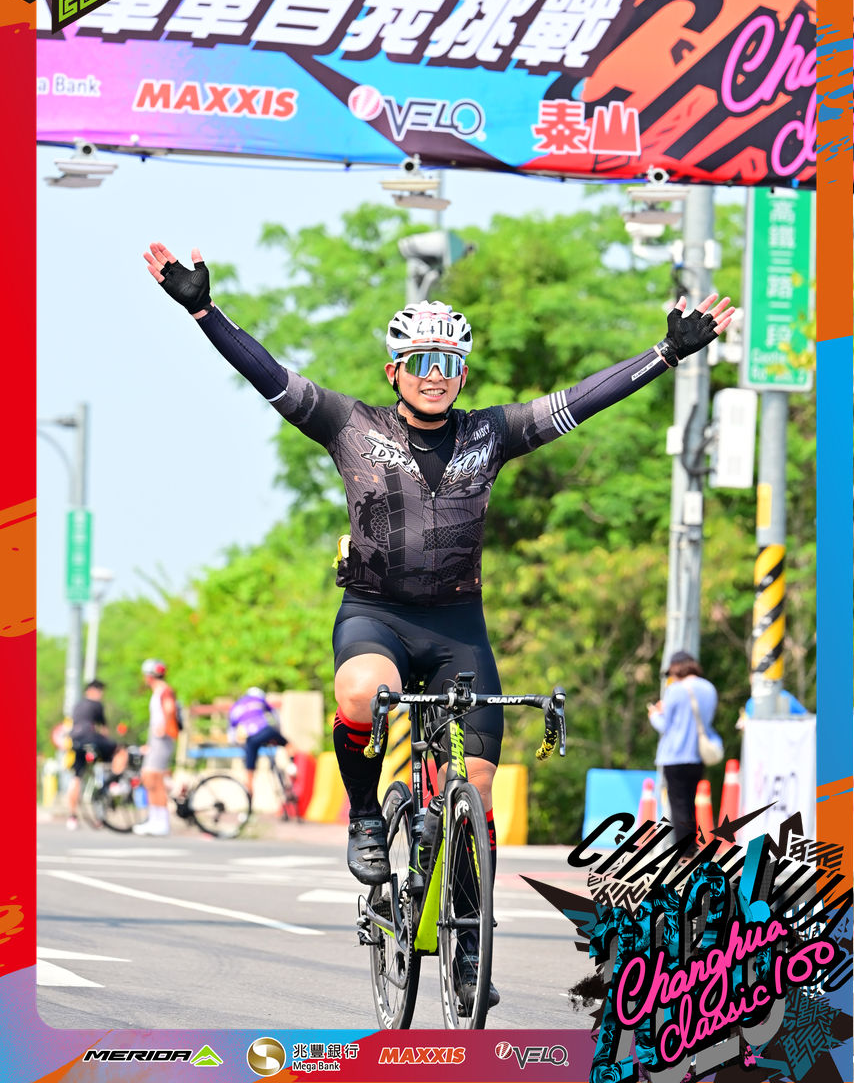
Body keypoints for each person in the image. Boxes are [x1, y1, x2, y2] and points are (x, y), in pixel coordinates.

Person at [145, 240, 733, 1004]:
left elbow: (582, 399)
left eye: (449, 362)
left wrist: (666, 353)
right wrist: (204, 311)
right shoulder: (348, 425)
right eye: (421, 361)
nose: (435, 374)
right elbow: (269, 374)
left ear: (462, 372)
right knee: (362, 695)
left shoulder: (492, 433)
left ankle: (467, 945)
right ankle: (366, 814)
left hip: (459, 628)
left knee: (474, 794)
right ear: (394, 371)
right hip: (377, 615)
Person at [647, 651, 723, 852]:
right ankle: (691, 848)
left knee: (678, 805)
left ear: (676, 667)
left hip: (675, 755)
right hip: (698, 755)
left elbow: (666, 726)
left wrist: (654, 715)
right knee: (690, 803)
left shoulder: (675, 690)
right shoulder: (709, 688)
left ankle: (685, 852)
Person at [66, 679, 128, 830]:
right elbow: (104, 729)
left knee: (76, 778)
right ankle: (114, 782)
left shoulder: (77, 705)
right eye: (100, 691)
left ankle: (72, 817)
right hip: (91, 739)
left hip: (76, 741)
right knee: (121, 751)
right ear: (92, 691)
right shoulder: (96, 704)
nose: (101, 695)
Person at [134, 658, 180, 836]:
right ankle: (155, 818)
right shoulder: (160, 691)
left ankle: (161, 821)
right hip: (157, 739)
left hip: (163, 738)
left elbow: (169, 709)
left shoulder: (164, 691)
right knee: (150, 779)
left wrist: (164, 727)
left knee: (155, 778)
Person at [228, 686, 294, 803]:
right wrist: (278, 732)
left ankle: (249, 799)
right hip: (266, 731)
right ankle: (293, 767)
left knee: (249, 770)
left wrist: (239, 745)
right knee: (288, 745)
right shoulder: (259, 699)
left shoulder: (237, 705)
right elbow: (275, 716)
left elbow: (232, 731)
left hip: (250, 739)